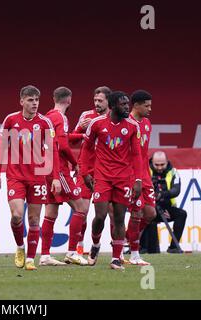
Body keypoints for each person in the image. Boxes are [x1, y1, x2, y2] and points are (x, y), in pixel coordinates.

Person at [0, 85, 61, 271]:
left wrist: (55, 177)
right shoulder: (11, 120)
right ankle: (20, 247)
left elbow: (53, 152)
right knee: (16, 216)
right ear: (22, 101)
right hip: (15, 176)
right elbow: (1, 148)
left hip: (38, 177)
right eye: (30, 100)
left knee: (33, 220)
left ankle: (30, 258)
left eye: (37, 100)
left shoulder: (45, 123)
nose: (34, 104)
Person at [80, 91, 142, 270]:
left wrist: (137, 179)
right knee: (100, 216)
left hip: (123, 178)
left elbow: (137, 154)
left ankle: (115, 258)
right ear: (114, 105)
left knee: (120, 218)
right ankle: (96, 244)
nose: (127, 108)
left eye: (127, 104)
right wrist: (85, 173)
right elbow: (86, 149)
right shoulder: (97, 123)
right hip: (102, 177)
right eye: (123, 105)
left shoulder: (132, 126)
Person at [42, 87, 88, 266]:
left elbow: (61, 138)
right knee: (80, 207)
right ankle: (72, 252)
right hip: (59, 169)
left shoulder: (48, 116)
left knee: (51, 211)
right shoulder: (61, 117)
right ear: (69, 100)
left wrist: (81, 134)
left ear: (53, 98)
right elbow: (62, 145)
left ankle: (45, 256)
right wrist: (75, 163)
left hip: (46, 169)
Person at [70, 86, 111, 255]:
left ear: (109, 101)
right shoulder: (87, 116)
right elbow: (70, 139)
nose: (96, 104)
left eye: (100, 101)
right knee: (82, 210)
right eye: (95, 100)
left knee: (109, 213)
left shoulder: (115, 117)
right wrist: (84, 131)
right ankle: (79, 247)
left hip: (106, 172)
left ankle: (99, 243)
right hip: (85, 169)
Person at [125, 90, 157, 265]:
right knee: (136, 211)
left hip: (145, 174)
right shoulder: (126, 123)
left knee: (150, 213)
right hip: (131, 175)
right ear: (136, 105)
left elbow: (143, 153)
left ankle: (127, 237)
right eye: (147, 105)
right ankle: (134, 254)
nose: (150, 109)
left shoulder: (147, 123)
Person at [140, 151, 187, 254]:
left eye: (162, 164)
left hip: (166, 209)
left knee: (182, 214)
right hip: (149, 209)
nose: (160, 167)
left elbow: (176, 190)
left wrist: (161, 194)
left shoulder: (173, 172)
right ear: (152, 162)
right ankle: (143, 248)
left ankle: (173, 247)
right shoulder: (145, 170)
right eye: (157, 165)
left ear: (167, 162)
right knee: (148, 217)